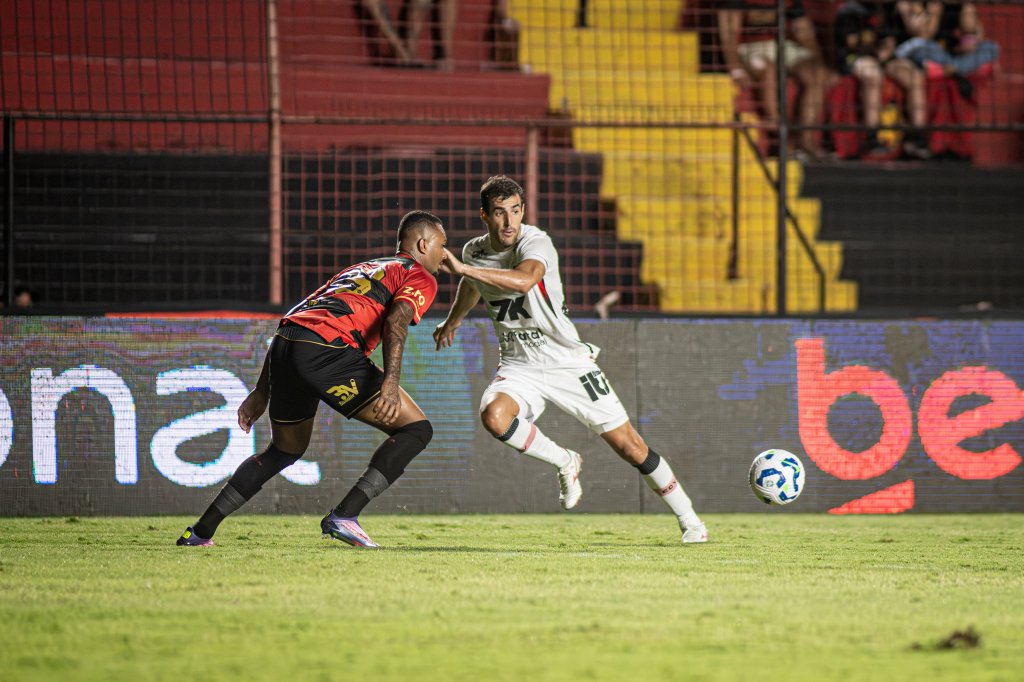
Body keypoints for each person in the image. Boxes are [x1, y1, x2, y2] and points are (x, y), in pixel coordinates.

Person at [433, 176, 708, 544]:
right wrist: (453, 319)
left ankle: (690, 520)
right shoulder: (474, 252)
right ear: (485, 215)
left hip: (566, 362)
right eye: (499, 213)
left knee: (629, 446)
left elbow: (523, 280)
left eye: (515, 211)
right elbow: (473, 285)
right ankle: (565, 460)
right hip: (519, 365)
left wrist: (464, 269)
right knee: (494, 416)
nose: (509, 221)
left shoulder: (536, 242)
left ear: (523, 210)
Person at [177, 211, 449, 549]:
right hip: (326, 351)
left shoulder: (361, 268)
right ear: (423, 244)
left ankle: (200, 532)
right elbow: (396, 323)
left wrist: (263, 390)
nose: (444, 255)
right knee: (416, 429)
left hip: (286, 346)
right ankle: (345, 516)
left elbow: (295, 318)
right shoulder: (419, 275)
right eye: (442, 245)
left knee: (285, 449)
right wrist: (390, 382)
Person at [717, 0, 830, 160]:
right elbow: (728, 34)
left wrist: (819, 62)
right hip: (750, 47)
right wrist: (735, 68)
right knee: (769, 70)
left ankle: (806, 141)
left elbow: (804, 31)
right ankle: (782, 137)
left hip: (781, 45)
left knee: (816, 74)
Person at [834, 0, 931, 160]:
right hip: (855, 56)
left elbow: (891, 41)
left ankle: (916, 137)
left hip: (884, 58)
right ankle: (872, 136)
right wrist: (869, 43)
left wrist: (885, 50)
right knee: (872, 75)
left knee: (915, 77)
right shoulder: (850, 10)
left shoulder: (889, 8)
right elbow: (850, 42)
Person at [893, 1, 999, 100]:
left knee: (991, 47)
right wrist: (935, 14)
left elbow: (975, 39)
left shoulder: (962, 7)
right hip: (931, 50)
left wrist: (968, 13)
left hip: (951, 57)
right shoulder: (926, 5)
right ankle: (956, 69)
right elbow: (924, 37)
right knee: (920, 51)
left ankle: (953, 69)